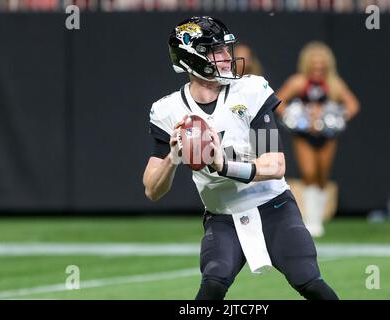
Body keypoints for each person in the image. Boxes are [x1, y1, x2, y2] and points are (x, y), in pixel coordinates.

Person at [143, 16, 338, 300]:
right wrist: (173, 156)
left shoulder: (249, 92)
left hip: (274, 207)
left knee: (308, 281)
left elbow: (275, 165)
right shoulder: (168, 110)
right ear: (192, 58)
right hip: (222, 217)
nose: (227, 57)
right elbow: (152, 189)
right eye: (217, 50)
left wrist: (223, 165)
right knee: (212, 284)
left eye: (226, 49)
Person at [275, 41, 359, 237]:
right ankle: (312, 220)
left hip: (327, 135)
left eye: (322, 62)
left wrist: (333, 117)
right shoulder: (298, 81)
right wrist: (299, 116)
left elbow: (353, 105)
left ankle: (318, 215)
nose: (318, 66)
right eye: (314, 62)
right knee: (309, 173)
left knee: (322, 175)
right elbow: (278, 102)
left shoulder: (334, 83)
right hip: (304, 135)